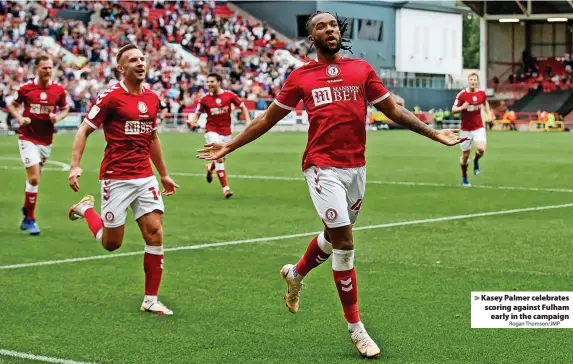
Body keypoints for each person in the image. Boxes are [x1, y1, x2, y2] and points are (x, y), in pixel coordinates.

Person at [197, 11, 467, 358]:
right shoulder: (301, 77)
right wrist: (230, 144)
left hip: (356, 167)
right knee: (345, 242)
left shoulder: (361, 70)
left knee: (333, 234)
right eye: (321, 26)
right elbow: (267, 118)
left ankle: (295, 273)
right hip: (321, 168)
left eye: (332, 25)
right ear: (312, 38)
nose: (329, 29)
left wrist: (435, 134)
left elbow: (394, 112)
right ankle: (357, 329)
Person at [67, 44, 180, 315]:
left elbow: (152, 136)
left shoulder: (152, 98)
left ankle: (150, 299)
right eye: (133, 60)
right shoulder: (110, 97)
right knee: (111, 243)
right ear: (121, 68)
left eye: (142, 58)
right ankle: (86, 209)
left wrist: (163, 173)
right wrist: (74, 166)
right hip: (116, 178)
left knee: (155, 234)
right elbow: (84, 130)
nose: (140, 62)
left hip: (144, 177)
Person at [7, 54, 70, 235]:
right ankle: (30, 219)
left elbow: (66, 108)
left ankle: (27, 208)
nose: (48, 71)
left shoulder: (58, 90)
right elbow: (12, 105)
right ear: (37, 69)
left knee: (34, 180)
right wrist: (20, 118)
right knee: (34, 178)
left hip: (46, 140)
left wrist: (57, 117)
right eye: (44, 68)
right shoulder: (26, 88)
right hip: (27, 137)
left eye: (50, 67)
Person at [187, 73, 252, 198]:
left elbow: (243, 106)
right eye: (208, 82)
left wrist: (248, 121)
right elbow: (197, 113)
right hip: (211, 131)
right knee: (220, 158)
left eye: (211, 81)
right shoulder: (204, 99)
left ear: (219, 82)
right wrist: (193, 121)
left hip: (226, 132)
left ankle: (210, 167)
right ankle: (226, 189)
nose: (209, 84)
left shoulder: (229, 95)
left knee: (221, 156)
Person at [452, 73, 491, 187]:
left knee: (481, 149)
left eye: (474, 80)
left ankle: (476, 160)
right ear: (468, 81)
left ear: (477, 82)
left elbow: (485, 103)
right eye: (471, 80)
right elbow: (453, 109)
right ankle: (464, 177)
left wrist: (489, 113)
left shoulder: (481, 94)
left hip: (478, 127)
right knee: (465, 155)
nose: (472, 82)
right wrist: (462, 108)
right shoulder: (462, 95)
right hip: (465, 129)